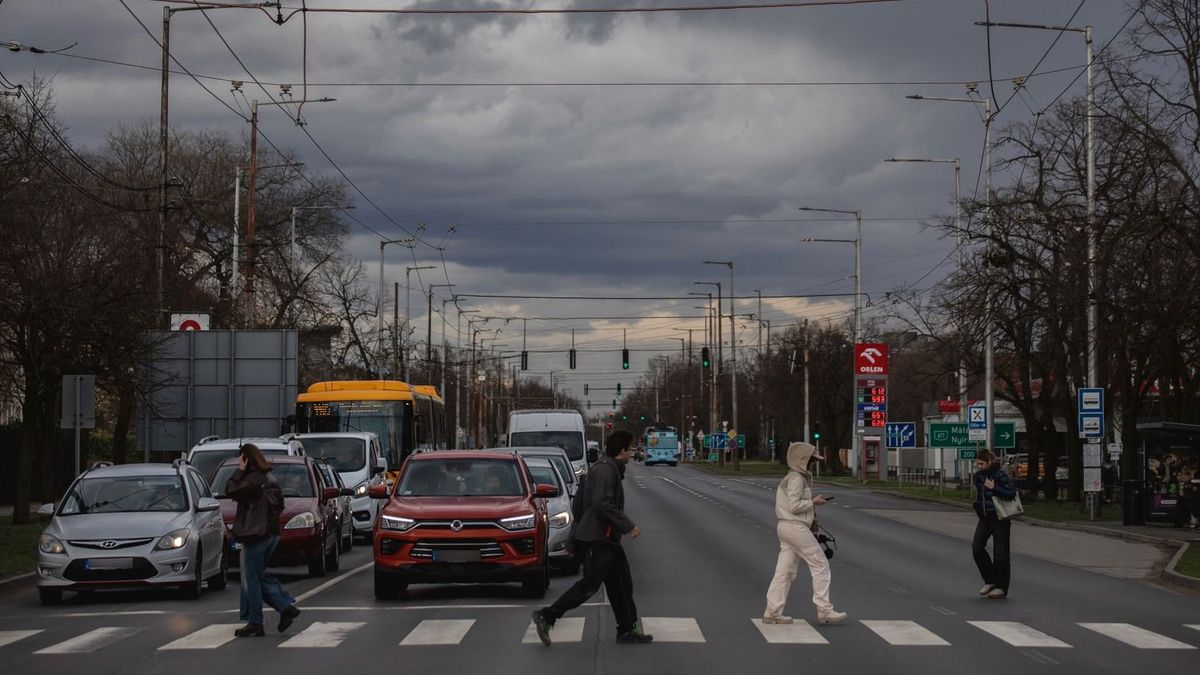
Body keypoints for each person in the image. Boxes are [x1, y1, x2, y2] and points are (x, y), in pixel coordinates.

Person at [531, 429, 652, 646]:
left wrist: (573, 537)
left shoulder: (602, 468)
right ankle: (548, 615)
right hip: (601, 538)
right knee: (590, 585)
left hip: (606, 538)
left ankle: (626, 628)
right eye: (629, 449)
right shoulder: (606, 471)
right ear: (621, 450)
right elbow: (601, 504)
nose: (631, 454)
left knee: (621, 584)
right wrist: (628, 525)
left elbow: (579, 505)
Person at [762, 442, 847, 625]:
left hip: (786, 527)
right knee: (820, 564)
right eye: (811, 460)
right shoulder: (796, 479)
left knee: (785, 571)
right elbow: (794, 506)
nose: (813, 464)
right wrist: (813, 502)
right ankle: (824, 609)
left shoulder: (795, 477)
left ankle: (773, 610)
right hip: (795, 527)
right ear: (803, 460)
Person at [225, 443, 301, 637]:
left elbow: (231, 490)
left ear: (246, 458)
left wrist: (239, 470)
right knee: (257, 575)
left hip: (256, 535)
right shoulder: (270, 477)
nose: (239, 461)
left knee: (251, 578)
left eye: (240, 458)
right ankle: (285, 608)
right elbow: (280, 504)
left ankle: (256, 622)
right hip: (271, 534)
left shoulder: (253, 479)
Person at [971, 450, 1017, 599]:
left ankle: (1001, 587)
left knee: (1000, 554)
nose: (979, 466)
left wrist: (994, 487)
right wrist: (977, 506)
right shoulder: (979, 476)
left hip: (1000, 517)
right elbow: (981, 496)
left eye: (982, 464)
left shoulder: (1000, 474)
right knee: (977, 548)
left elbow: (1010, 493)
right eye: (977, 464)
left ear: (990, 461)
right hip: (985, 517)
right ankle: (990, 579)